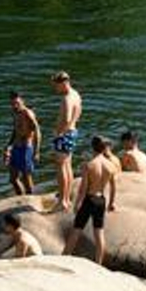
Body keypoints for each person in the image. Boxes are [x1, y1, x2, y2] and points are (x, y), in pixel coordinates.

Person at [70, 136, 119, 265]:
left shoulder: (88, 165)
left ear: (92, 147)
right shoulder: (111, 165)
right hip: (101, 200)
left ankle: (64, 257)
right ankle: (98, 263)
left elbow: (83, 188)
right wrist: (111, 203)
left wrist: (77, 204)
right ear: (104, 148)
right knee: (99, 233)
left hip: (89, 199)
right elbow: (114, 187)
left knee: (76, 230)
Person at [49, 71, 84, 212]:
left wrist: (59, 133)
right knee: (67, 165)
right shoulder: (76, 94)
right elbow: (79, 112)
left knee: (60, 167)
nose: (55, 89)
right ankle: (67, 197)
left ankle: (63, 201)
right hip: (73, 132)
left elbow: (67, 118)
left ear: (63, 83)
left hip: (64, 134)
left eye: (56, 86)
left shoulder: (67, 98)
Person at [3, 91, 41, 196]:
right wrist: (8, 146)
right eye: (12, 104)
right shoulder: (14, 113)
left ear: (22, 101)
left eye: (17, 103)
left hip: (26, 148)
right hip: (16, 147)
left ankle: (30, 198)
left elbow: (37, 131)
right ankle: (20, 197)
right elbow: (15, 131)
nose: (15, 106)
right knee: (13, 179)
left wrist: (37, 151)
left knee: (26, 177)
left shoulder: (27, 113)